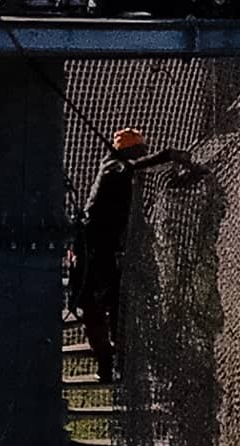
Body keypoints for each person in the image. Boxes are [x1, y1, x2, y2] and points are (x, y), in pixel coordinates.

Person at [70, 128, 186, 384]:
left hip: (110, 252)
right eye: (139, 151)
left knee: (117, 307)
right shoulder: (113, 168)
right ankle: (107, 362)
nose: (142, 155)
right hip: (93, 252)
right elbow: (132, 167)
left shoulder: (128, 176)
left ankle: (118, 360)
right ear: (129, 151)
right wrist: (166, 155)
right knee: (94, 309)